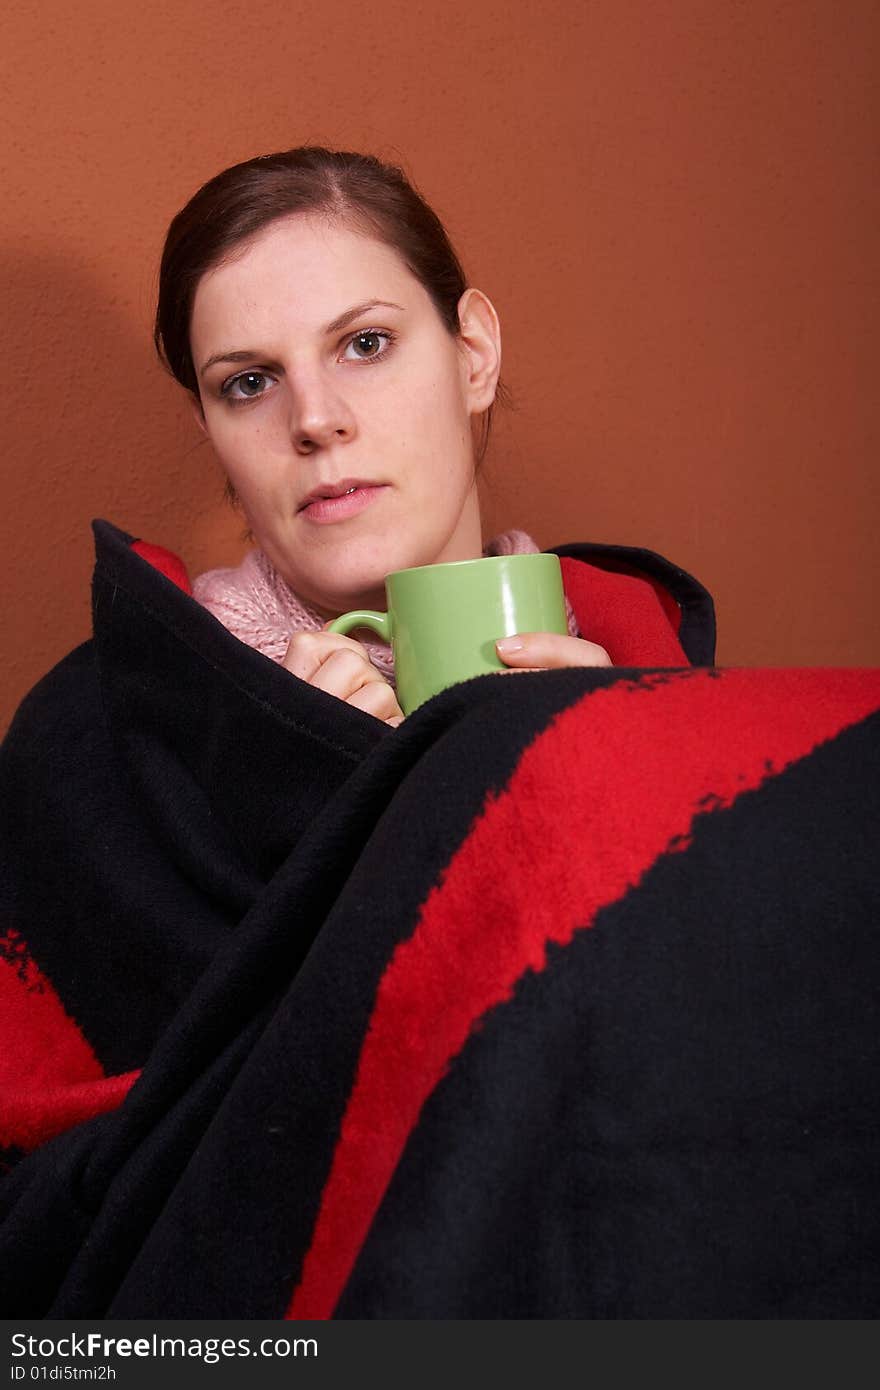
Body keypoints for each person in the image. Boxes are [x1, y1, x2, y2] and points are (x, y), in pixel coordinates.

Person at [152, 146, 711, 724]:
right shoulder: (134, 715)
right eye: (248, 384)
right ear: (210, 428)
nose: (314, 419)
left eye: (366, 344)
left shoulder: (651, 659)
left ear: (473, 356)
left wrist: (616, 780)